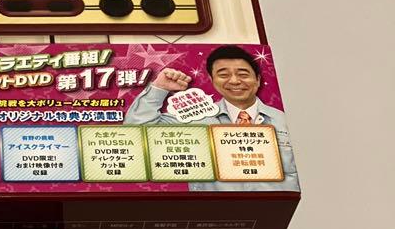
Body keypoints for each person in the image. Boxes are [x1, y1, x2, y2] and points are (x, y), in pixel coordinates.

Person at [125, 44, 299, 191]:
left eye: (243, 74)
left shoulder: (284, 120)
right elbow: (137, 134)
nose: (234, 81)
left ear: (258, 80)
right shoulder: (195, 117)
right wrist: (159, 89)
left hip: (276, 213)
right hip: (214, 214)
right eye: (223, 75)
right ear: (212, 80)